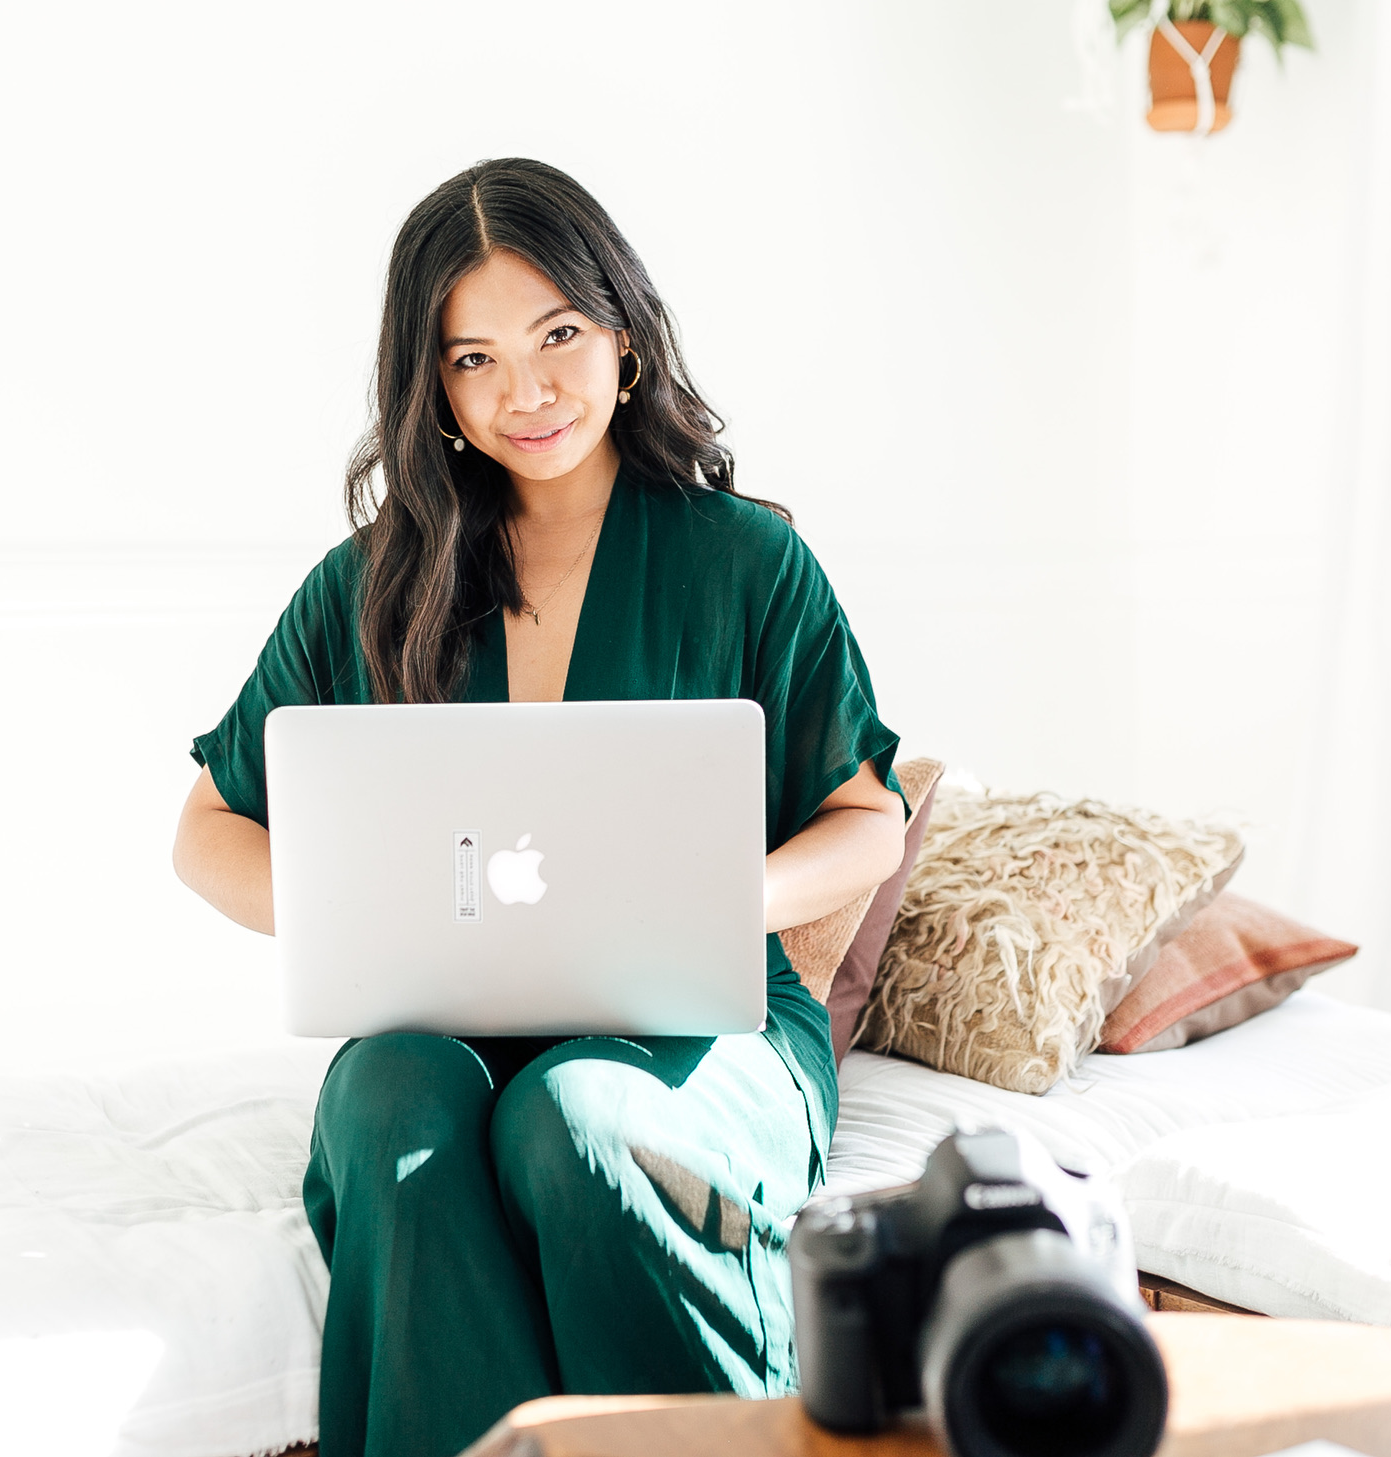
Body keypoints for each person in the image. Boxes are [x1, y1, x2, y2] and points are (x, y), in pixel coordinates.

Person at [172, 158, 906, 1457]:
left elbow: (865, 817)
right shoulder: (368, 584)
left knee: (577, 1117)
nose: (526, 390)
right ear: (431, 386)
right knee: (393, 1098)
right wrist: (358, 919)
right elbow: (208, 829)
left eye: (557, 334)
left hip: (700, 1019)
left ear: (623, 332)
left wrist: (716, 899)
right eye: (472, 357)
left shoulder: (745, 561)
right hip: (441, 1014)